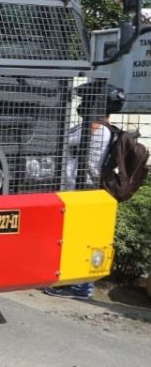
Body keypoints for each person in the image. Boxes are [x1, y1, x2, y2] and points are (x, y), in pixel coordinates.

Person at [46, 81, 127, 301]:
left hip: (79, 189)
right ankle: (78, 284)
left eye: (85, 100)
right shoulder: (110, 130)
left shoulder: (94, 129)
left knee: (77, 238)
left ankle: (80, 287)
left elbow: (56, 140)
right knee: (83, 237)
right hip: (89, 190)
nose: (82, 104)